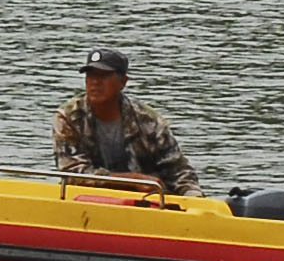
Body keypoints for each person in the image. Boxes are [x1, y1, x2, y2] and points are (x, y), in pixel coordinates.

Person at [53, 48, 197, 193]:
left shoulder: (149, 121)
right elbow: (73, 174)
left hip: (145, 203)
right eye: (90, 76)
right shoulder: (69, 117)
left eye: (104, 76)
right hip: (86, 200)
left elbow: (179, 171)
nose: (95, 82)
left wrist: (193, 198)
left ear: (123, 82)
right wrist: (132, 181)